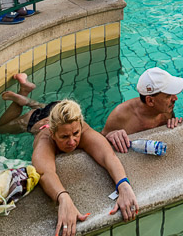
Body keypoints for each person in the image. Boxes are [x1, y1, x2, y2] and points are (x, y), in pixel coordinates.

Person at [31, 99, 138, 233]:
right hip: (37, 120)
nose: (71, 142)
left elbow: (108, 156)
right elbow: (44, 173)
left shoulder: (83, 130)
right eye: (64, 137)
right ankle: (27, 100)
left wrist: (123, 185)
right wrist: (64, 199)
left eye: (76, 134)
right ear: (53, 134)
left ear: (81, 126)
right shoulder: (45, 140)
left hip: (59, 110)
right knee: (9, 125)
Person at [102, 68, 183, 152]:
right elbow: (99, 140)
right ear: (150, 101)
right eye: (168, 96)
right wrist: (111, 136)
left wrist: (173, 122)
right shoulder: (120, 115)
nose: (175, 98)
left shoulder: (166, 110)